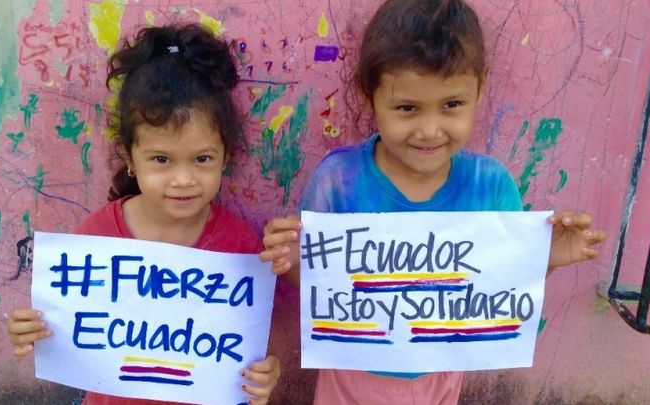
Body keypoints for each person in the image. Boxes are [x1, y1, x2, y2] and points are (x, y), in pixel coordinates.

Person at [259, 0, 607, 404]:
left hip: (441, 374)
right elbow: (319, 286)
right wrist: (290, 262)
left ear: (480, 87)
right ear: (370, 96)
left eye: (451, 105)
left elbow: (499, 286)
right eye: (407, 108)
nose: (429, 130)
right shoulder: (337, 180)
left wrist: (545, 258)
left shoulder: (490, 186)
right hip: (350, 377)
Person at [6, 24, 280, 405]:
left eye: (202, 158)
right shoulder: (94, 241)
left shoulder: (241, 248)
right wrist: (32, 331)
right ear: (130, 157)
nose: (183, 179)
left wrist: (266, 375)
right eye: (161, 160)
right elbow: (66, 326)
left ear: (225, 157)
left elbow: (250, 351)